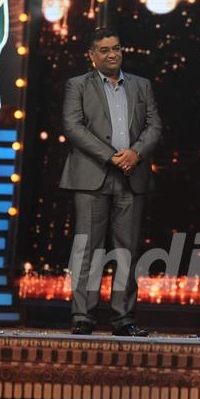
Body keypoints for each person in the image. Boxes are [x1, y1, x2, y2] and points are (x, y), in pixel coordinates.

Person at [60, 28, 162, 336]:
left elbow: (154, 126)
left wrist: (135, 154)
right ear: (92, 56)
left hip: (132, 176)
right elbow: (72, 126)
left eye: (116, 48)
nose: (112, 54)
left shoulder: (141, 86)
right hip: (92, 174)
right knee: (87, 248)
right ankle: (82, 316)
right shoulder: (77, 85)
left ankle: (123, 318)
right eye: (104, 50)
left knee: (126, 251)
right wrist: (111, 156)